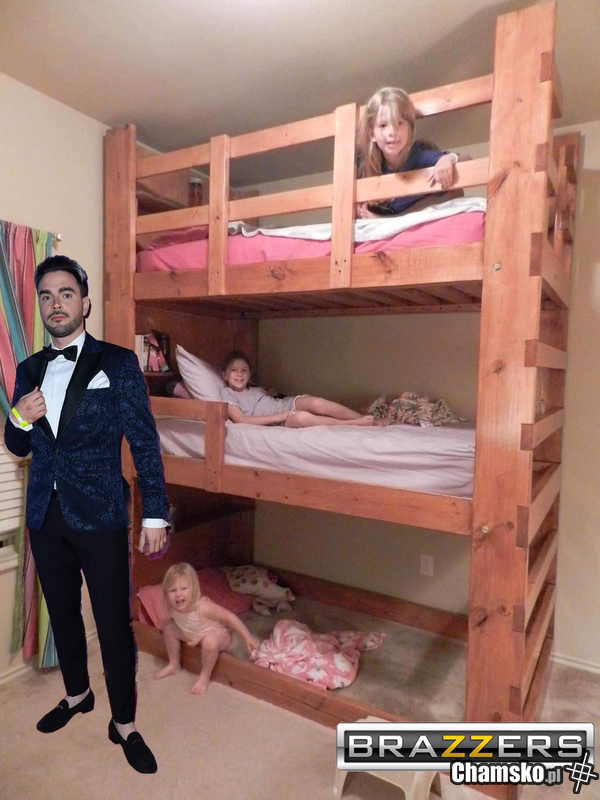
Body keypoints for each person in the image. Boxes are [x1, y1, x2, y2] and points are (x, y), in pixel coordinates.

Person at [4, 255, 170, 775]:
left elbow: (143, 441)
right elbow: (17, 445)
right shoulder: (28, 369)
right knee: (62, 614)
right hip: (44, 515)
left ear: (85, 303)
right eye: (47, 296)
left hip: (101, 516)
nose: (56, 304)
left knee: (113, 625)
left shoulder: (117, 364)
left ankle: (124, 723)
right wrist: (18, 417)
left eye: (66, 294)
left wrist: (155, 514)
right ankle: (78, 694)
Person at [356, 86, 471, 219]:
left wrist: (449, 159)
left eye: (400, 123)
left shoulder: (418, 154)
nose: (392, 132)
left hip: (422, 205)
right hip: (390, 213)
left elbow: (467, 161)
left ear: (409, 129)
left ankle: (390, 219)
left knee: (452, 194)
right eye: (383, 125)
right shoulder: (367, 165)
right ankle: (388, 219)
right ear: (372, 134)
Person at [153, 563, 260, 695]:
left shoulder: (203, 607)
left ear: (194, 589)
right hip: (194, 634)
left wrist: (247, 637)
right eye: (173, 590)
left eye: (184, 588)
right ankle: (174, 664)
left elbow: (229, 617)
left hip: (219, 635)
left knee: (209, 641)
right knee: (168, 626)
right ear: (166, 593)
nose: (178, 594)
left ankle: (205, 676)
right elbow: (182, 623)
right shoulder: (172, 606)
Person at [220, 351, 375, 427]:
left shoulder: (254, 389)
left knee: (316, 403)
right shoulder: (227, 393)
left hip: (285, 405)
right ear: (225, 375)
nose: (239, 374)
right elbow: (240, 420)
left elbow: (269, 396)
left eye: (244, 370)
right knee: (302, 418)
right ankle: (353, 423)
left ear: (249, 374)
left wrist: (269, 392)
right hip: (280, 420)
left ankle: (369, 420)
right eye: (234, 370)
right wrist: (278, 417)